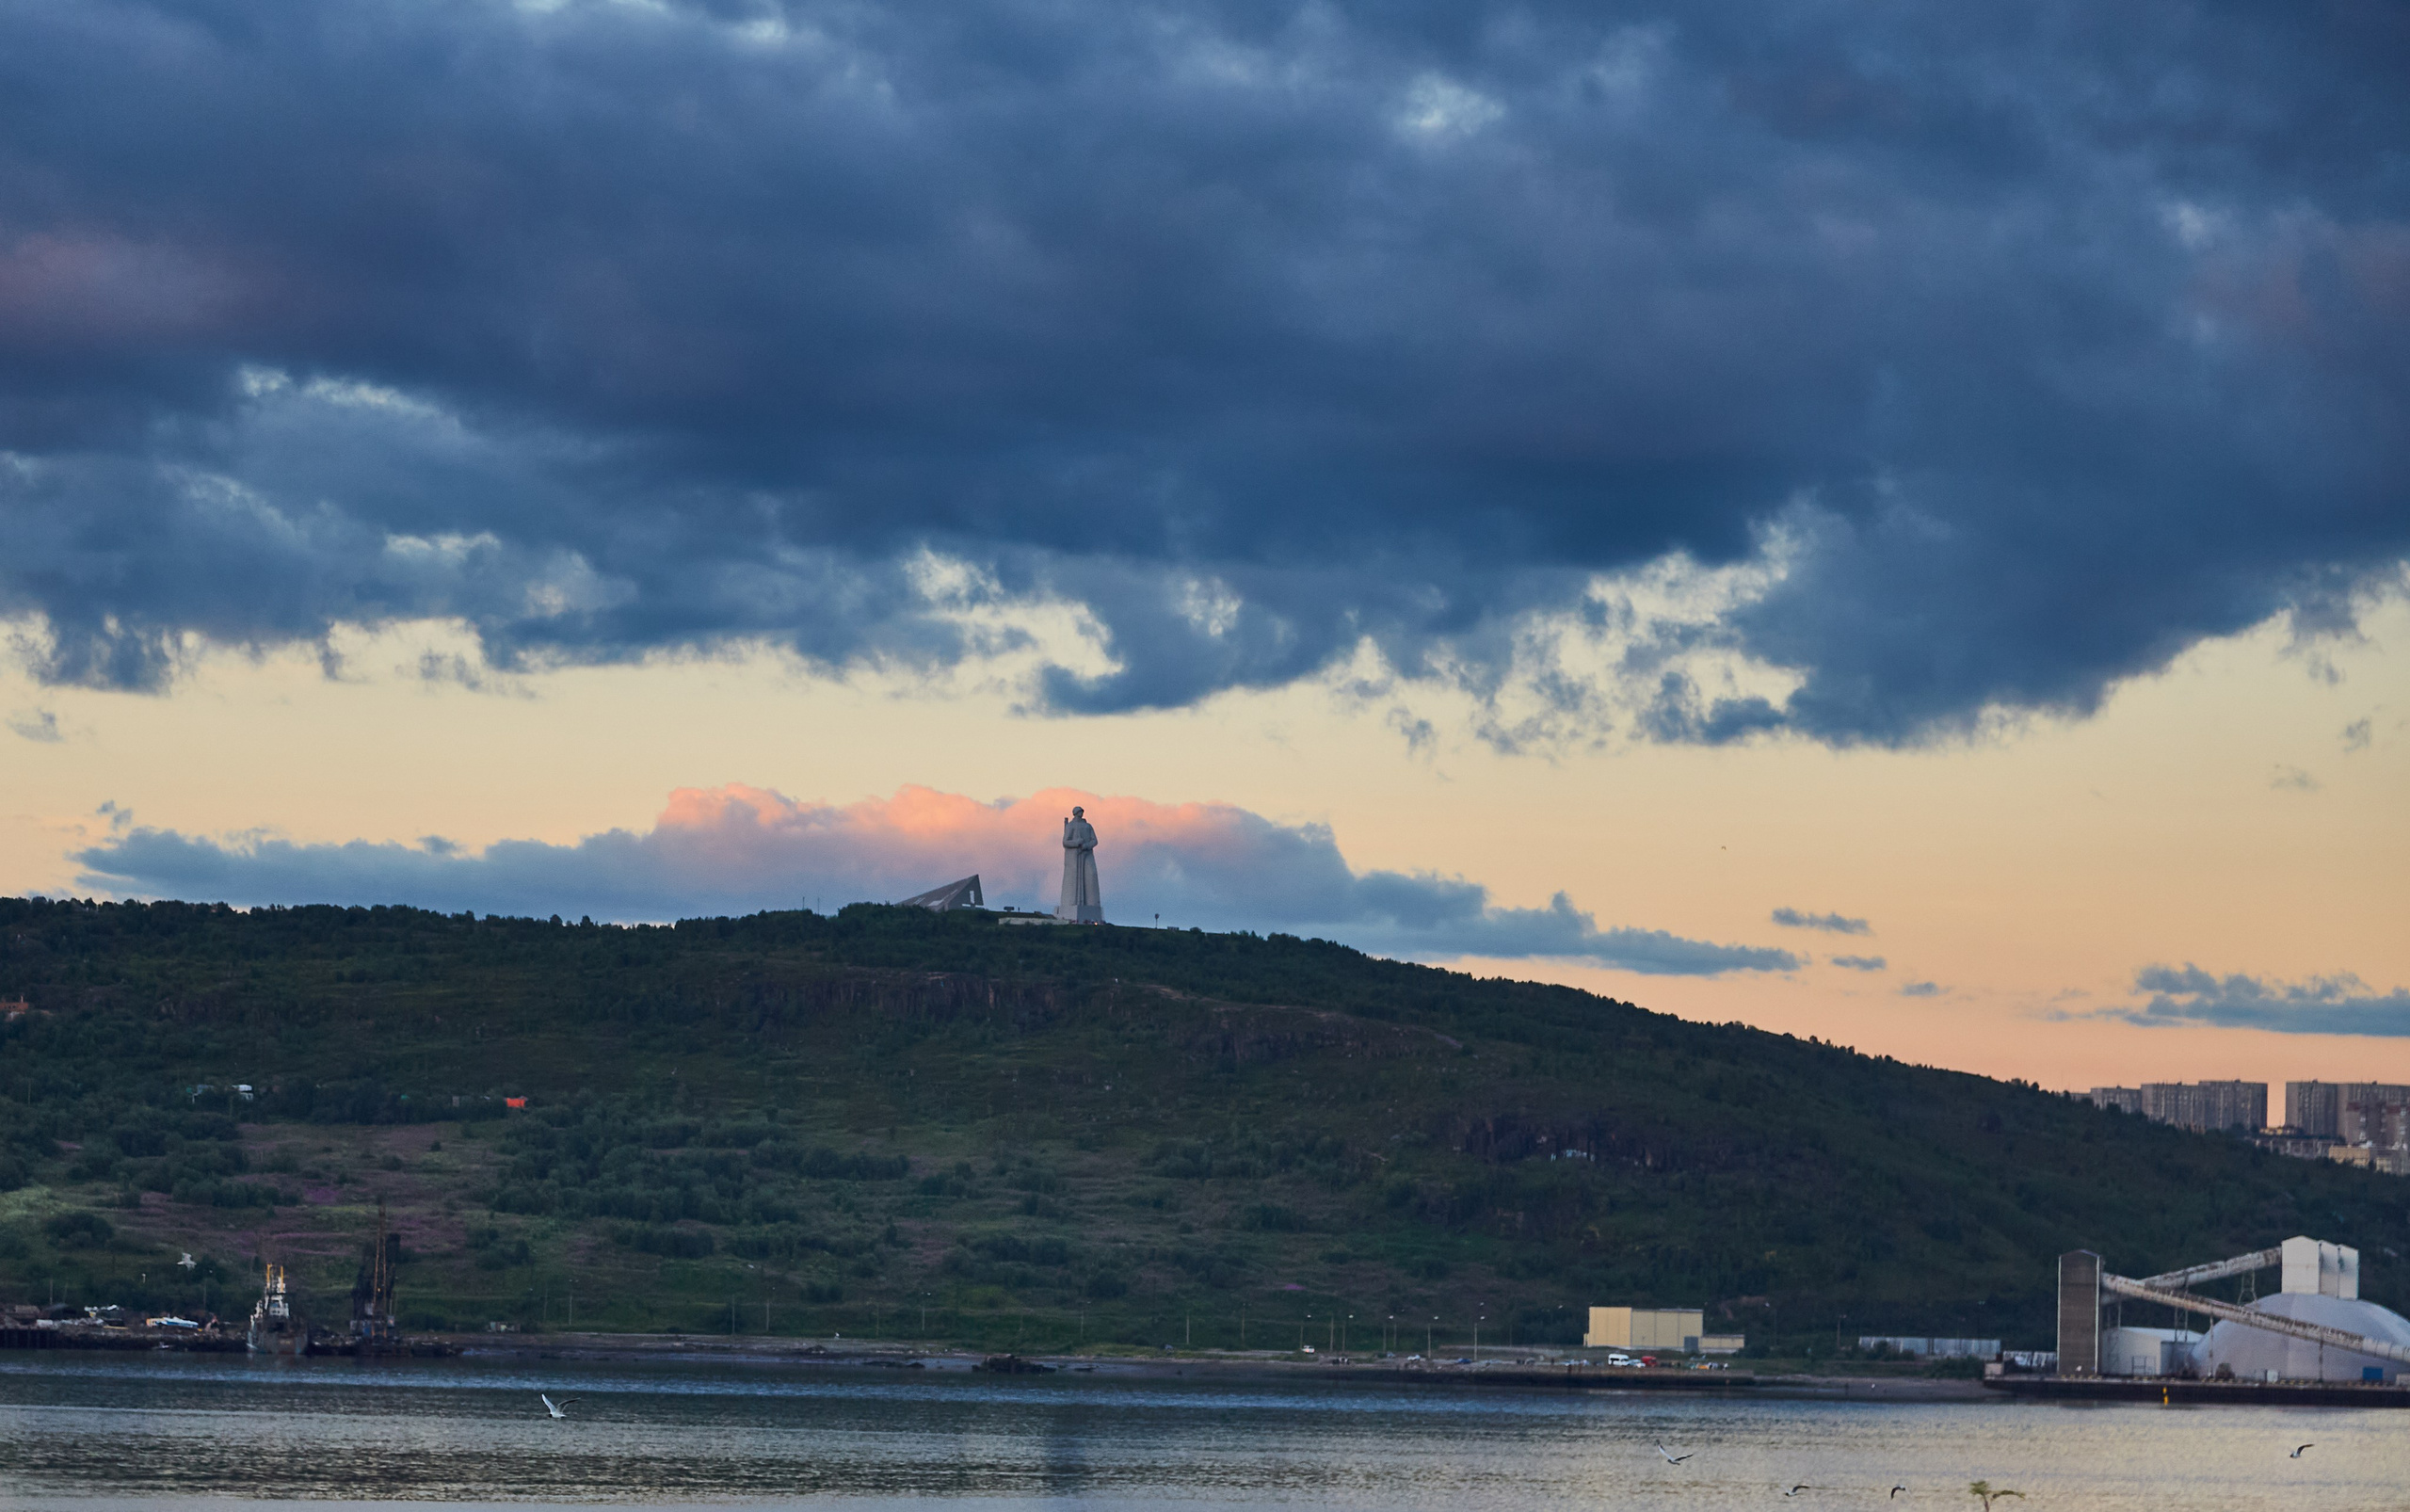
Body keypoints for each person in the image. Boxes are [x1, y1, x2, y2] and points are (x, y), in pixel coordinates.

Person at [1057, 806, 1102, 922]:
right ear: (1075, 813)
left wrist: (1086, 846)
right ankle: (1071, 902)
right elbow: (1065, 841)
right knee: (1073, 880)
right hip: (1074, 857)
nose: (1080, 813)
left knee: (1091, 875)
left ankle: (1092, 904)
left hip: (1087, 854)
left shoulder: (1088, 826)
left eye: (1081, 811)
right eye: (1079, 812)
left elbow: (1095, 840)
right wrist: (1077, 843)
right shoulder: (1071, 826)